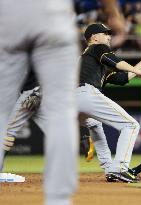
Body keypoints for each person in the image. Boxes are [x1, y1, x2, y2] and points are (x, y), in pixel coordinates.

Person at [0, 1, 79, 205]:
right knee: (61, 119)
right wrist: (113, 12)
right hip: (54, 13)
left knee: (6, 127)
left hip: (29, 93)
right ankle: (60, 199)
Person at [77, 23, 141, 183]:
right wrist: (137, 71)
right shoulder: (96, 48)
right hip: (85, 94)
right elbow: (115, 61)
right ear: (94, 37)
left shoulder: (87, 61)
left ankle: (110, 168)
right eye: (104, 33)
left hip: (70, 101)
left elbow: (122, 79)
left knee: (94, 125)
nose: (109, 36)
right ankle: (119, 169)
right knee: (131, 126)